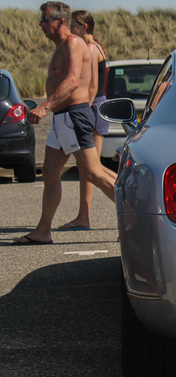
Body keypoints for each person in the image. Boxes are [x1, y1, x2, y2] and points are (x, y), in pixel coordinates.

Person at [13, 1, 115, 245]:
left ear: (60, 21)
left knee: (92, 172)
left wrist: (44, 107)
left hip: (73, 116)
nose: (41, 24)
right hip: (62, 119)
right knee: (49, 172)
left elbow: (72, 83)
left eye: (45, 19)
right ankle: (43, 231)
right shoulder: (60, 46)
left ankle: (136, 220)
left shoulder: (73, 43)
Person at [57, 9, 117, 231]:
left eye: (73, 26)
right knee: (90, 168)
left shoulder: (91, 49)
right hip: (94, 106)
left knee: (91, 169)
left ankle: (87, 216)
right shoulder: (95, 47)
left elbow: (91, 86)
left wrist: (83, 110)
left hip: (92, 107)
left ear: (84, 27)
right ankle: (84, 215)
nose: (71, 30)